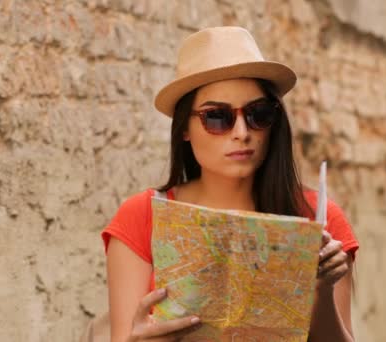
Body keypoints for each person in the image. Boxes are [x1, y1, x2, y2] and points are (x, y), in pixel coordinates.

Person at [101, 26, 359, 342]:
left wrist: (322, 289)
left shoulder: (320, 219)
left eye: (258, 114)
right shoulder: (141, 216)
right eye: (217, 117)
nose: (241, 131)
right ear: (184, 128)